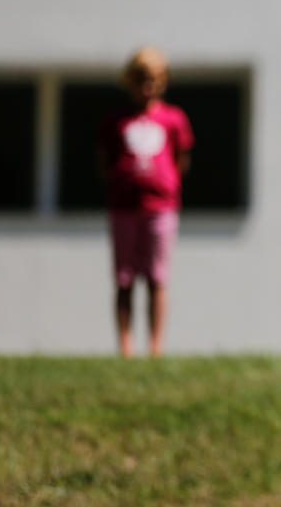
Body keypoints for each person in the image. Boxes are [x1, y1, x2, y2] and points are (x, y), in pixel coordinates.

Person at [98, 46, 194, 357]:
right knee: (124, 277)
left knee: (157, 277)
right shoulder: (117, 121)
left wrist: (166, 186)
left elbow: (181, 159)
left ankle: (155, 346)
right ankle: (125, 346)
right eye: (140, 78)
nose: (147, 85)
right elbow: (105, 160)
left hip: (161, 208)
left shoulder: (173, 118)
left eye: (152, 78)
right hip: (123, 208)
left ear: (163, 80)